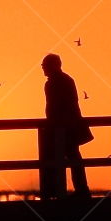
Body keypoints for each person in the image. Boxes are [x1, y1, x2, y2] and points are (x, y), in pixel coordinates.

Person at [40, 53, 91, 199]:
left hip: (63, 127)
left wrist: (54, 124)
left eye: (44, 65)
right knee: (72, 157)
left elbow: (57, 106)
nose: (43, 68)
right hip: (69, 126)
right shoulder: (66, 80)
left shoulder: (55, 82)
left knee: (61, 158)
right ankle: (80, 190)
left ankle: (58, 191)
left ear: (53, 65)